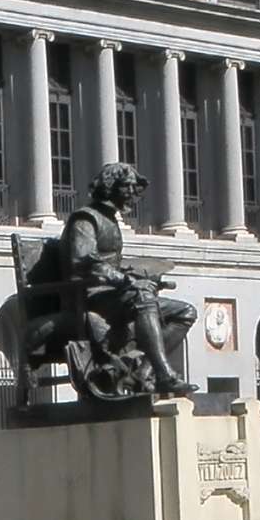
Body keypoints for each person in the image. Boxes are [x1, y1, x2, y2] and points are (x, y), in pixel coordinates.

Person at [44, 161, 197, 399]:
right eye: (127, 187)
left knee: (185, 312)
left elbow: (110, 262)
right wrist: (125, 280)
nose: (133, 195)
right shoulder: (85, 219)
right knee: (142, 297)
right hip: (90, 296)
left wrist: (138, 275)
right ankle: (164, 373)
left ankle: (145, 371)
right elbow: (85, 261)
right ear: (110, 187)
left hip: (113, 294)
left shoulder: (110, 220)